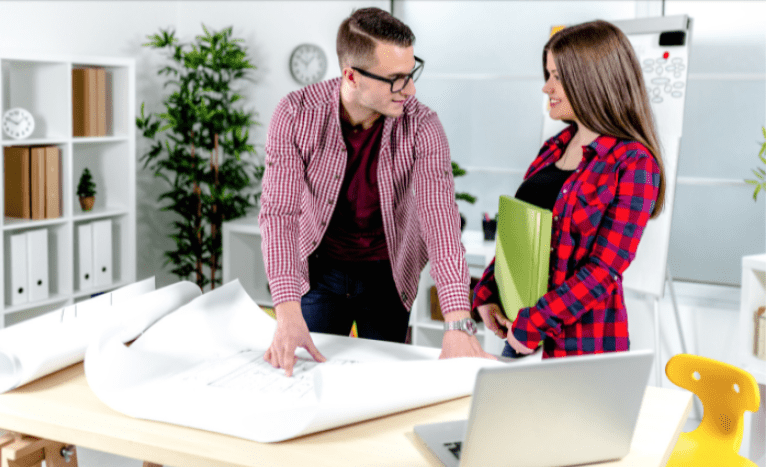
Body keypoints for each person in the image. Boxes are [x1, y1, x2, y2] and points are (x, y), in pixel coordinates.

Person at [259, 7, 494, 376]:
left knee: (386, 383)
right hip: (319, 274)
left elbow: (441, 221)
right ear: (352, 77)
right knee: (305, 378)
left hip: (389, 274)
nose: (411, 89)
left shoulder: (423, 126)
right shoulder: (294, 115)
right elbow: (280, 215)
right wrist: (286, 312)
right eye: (396, 79)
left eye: (412, 73)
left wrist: (457, 323)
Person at [472, 20, 666, 359]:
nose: (547, 88)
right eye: (548, 75)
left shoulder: (634, 163)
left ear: (592, 80)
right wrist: (488, 292)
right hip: (521, 332)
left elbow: (603, 270)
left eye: (557, 77)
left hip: (580, 347)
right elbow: (520, 236)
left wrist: (534, 325)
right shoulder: (554, 146)